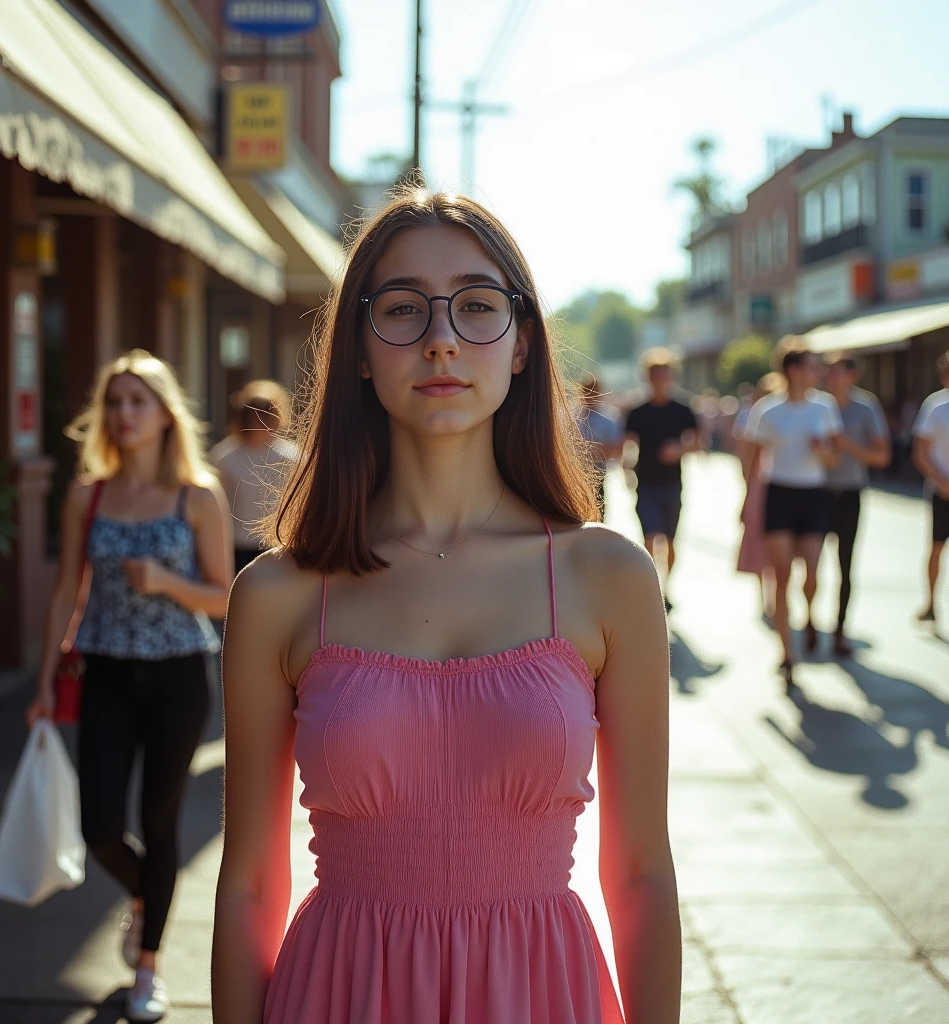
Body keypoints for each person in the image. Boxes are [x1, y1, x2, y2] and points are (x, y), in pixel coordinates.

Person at [212, 189, 680, 1024]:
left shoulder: (607, 575)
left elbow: (641, 868)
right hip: (339, 998)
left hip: (543, 998)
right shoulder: (279, 595)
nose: (440, 339)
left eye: (476, 306)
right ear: (359, 348)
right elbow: (249, 881)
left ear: (524, 343)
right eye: (401, 309)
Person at [26, 349, 233, 1023]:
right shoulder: (87, 495)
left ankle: (149, 967)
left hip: (179, 676)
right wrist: (43, 683)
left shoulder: (198, 496)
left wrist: (168, 582)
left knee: (161, 820)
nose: (122, 414)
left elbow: (225, 597)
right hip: (106, 671)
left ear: (165, 414)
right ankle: (148, 896)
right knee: (101, 826)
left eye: (136, 401)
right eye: (113, 403)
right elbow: (66, 593)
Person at [743, 341, 842, 691]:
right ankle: (787, 653)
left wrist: (824, 451)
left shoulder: (824, 407)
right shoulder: (768, 410)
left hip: (813, 495)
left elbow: (835, 460)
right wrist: (746, 500)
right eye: (813, 366)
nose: (818, 372)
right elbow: (752, 458)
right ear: (794, 370)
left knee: (812, 572)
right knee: (781, 575)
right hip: (779, 494)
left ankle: (811, 615)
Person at [822, 353, 891, 654]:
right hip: (816, 492)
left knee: (845, 564)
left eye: (839, 372)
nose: (833, 377)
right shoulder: (818, 404)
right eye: (830, 372)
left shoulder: (866, 407)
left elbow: (882, 456)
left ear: (852, 375)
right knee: (808, 562)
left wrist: (847, 446)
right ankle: (810, 621)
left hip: (850, 492)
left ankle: (839, 628)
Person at [623, 348, 700, 611]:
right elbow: (627, 443)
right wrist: (626, 470)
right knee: (649, 539)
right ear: (648, 377)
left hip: (672, 483)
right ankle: (653, 589)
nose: (660, 379)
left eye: (665, 374)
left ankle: (666, 588)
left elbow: (699, 442)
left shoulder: (682, 410)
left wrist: (678, 450)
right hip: (646, 483)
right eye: (656, 375)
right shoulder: (638, 411)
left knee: (669, 542)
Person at [210, 379, 296, 573]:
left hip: (279, 547)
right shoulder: (225, 457)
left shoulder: (292, 458)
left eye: (265, 416)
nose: (259, 424)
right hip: (237, 546)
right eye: (253, 417)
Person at [734, 372, 785, 618]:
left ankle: (778, 595)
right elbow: (746, 458)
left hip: (782, 486)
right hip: (759, 486)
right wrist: (747, 492)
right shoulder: (755, 418)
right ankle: (765, 595)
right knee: (758, 541)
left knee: (781, 545)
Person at [912, 351, 949, 624]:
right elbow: (921, 453)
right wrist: (943, 483)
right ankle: (931, 602)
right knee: (936, 548)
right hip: (941, 491)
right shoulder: (935, 407)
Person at [576, 371, 623, 521]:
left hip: (598, 472)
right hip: (574, 474)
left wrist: (592, 450)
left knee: (598, 513)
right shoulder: (571, 415)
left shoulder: (608, 418)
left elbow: (616, 449)